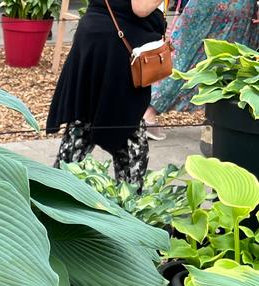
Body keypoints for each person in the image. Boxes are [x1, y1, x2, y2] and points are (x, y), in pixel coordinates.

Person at [47, 0, 166, 187]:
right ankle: (130, 208)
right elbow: (141, 8)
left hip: (98, 37)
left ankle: (54, 194)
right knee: (128, 139)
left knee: (83, 124)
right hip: (117, 46)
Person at [144, 0, 259, 140]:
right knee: (223, 61)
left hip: (202, 5)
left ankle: (146, 108)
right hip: (235, 7)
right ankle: (149, 112)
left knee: (181, 54)